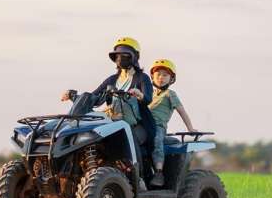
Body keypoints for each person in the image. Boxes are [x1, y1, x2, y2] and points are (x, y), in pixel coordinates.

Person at [61, 36, 156, 167]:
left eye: (124, 54)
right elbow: (93, 97)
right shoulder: (112, 79)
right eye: (117, 55)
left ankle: (138, 177)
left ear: (134, 56)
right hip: (114, 123)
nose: (120, 58)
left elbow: (148, 99)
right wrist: (74, 96)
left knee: (127, 140)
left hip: (137, 125)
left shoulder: (142, 78)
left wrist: (139, 94)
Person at [146, 59, 197, 187]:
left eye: (165, 75)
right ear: (152, 77)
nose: (161, 78)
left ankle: (158, 173)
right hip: (144, 126)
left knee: (156, 140)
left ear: (171, 78)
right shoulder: (148, 94)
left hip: (158, 127)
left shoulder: (170, 94)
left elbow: (182, 111)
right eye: (158, 75)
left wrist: (190, 128)